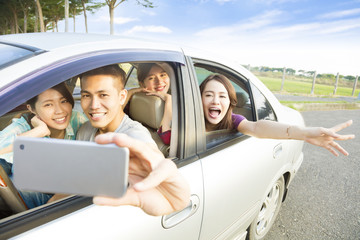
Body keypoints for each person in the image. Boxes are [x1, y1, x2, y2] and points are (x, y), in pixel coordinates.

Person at [75, 64, 190, 216]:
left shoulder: (134, 134)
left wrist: (159, 171)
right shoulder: (85, 129)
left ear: (122, 97)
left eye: (103, 95)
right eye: (86, 96)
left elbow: (148, 151)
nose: (93, 106)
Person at [200, 74, 355, 156]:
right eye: (208, 95)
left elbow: (256, 128)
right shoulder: (188, 115)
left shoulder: (234, 120)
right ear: (198, 98)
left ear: (230, 102)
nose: (215, 101)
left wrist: (305, 133)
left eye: (222, 96)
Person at [0, 82, 87, 208]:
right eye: (48, 104)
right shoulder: (23, 127)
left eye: (63, 101)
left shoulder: (76, 119)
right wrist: (39, 131)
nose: (60, 111)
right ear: (31, 109)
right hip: (32, 198)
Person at [124, 63, 172, 145]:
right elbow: (113, 116)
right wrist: (131, 92)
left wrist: (169, 99)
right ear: (142, 84)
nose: (159, 81)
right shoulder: (134, 104)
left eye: (163, 75)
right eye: (151, 78)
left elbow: (167, 139)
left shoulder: (181, 104)